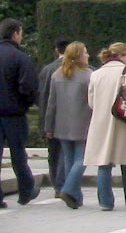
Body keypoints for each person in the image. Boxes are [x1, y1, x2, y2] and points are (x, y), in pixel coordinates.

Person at [83, 42, 126, 211]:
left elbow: (91, 102)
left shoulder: (96, 74)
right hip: (122, 119)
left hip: (101, 121)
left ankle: (105, 201)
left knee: (104, 162)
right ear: (122, 55)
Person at [45, 41, 92, 209]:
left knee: (69, 159)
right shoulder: (88, 76)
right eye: (85, 53)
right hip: (83, 123)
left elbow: (52, 104)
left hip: (62, 124)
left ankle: (75, 197)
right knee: (82, 159)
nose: (88, 55)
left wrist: (49, 126)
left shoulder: (57, 74)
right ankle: (68, 189)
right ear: (78, 56)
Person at [0, 17, 40, 207]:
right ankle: (26, 190)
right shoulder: (21, 57)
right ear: (15, 33)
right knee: (18, 156)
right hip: (14, 114)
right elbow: (28, 86)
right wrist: (25, 102)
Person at [38, 37, 71, 198]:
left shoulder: (47, 69)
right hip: (71, 119)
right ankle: (64, 184)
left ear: (57, 50)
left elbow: (43, 97)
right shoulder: (82, 69)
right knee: (68, 152)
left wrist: (45, 123)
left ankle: (57, 185)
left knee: (54, 152)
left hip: (51, 117)